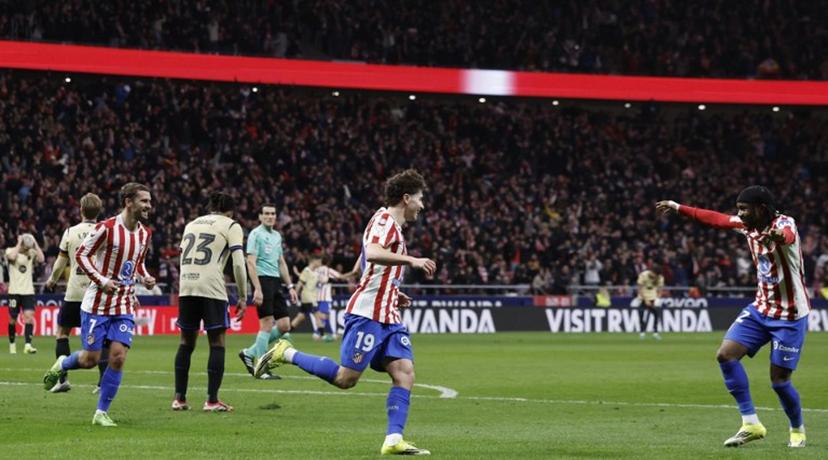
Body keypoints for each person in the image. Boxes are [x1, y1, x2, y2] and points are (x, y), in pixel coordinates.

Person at [255, 169, 437, 456]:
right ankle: (286, 353)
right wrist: (412, 260)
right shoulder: (385, 221)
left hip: (388, 315)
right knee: (345, 379)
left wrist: (391, 290)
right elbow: (372, 252)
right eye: (420, 199)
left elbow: (366, 261)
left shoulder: (391, 226)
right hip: (367, 315)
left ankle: (393, 439)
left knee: (405, 373)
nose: (422, 205)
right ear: (406, 198)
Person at [657, 185, 809, 448]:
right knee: (725, 355)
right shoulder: (747, 226)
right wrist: (678, 207)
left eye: (744, 209)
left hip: (790, 316)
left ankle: (797, 429)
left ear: (762, 208)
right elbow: (715, 219)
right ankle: (751, 424)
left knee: (779, 382)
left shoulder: (785, 223)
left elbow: (787, 236)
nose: (740, 214)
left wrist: (776, 235)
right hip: (761, 309)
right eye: (739, 209)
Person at [43, 182, 156, 427]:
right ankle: (62, 363)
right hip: (97, 304)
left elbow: (137, 263)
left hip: (124, 304)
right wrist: (102, 280)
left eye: (149, 201)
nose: (149, 205)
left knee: (117, 357)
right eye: (144, 201)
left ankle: (101, 412)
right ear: (128, 202)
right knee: (90, 360)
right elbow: (82, 255)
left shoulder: (145, 233)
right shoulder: (107, 228)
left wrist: (145, 277)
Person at [172, 192, 248, 412]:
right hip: (211, 287)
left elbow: (182, 257)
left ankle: (179, 398)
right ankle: (212, 401)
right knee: (217, 342)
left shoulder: (191, 224)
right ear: (230, 210)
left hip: (187, 285)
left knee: (186, 342)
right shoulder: (231, 225)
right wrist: (243, 296)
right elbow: (238, 263)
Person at [45, 193, 104, 393]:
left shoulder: (70, 232)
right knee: (102, 338)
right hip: (97, 292)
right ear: (99, 211)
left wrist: (52, 280)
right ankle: (103, 383)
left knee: (62, 333)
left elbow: (60, 262)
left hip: (75, 292)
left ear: (81, 210)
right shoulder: (105, 231)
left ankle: (62, 380)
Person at [237, 203, 298, 380]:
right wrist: (257, 288)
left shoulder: (277, 236)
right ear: (260, 216)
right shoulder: (255, 234)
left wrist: (290, 286)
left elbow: (281, 262)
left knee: (285, 325)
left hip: (275, 281)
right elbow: (250, 262)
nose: (270, 216)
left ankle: (249, 353)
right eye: (266, 214)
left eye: (273, 213)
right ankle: (261, 369)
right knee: (266, 324)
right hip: (262, 280)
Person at [6, 232, 45, 354]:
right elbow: (12, 257)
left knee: (29, 317)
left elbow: (42, 259)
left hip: (28, 291)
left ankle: (27, 345)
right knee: (12, 319)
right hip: (14, 291)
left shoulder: (31, 253)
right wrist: (19, 242)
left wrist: (35, 242)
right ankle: (12, 344)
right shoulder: (10, 250)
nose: (27, 248)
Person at [313, 254, 355, 341]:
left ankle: (319, 333)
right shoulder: (328, 270)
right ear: (329, 262)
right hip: (325, 298)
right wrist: (353, 272)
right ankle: (327, 333)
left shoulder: (316, 270)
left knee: (323, 316)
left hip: (316, 297)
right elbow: (341, 276)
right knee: (325, 316)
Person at [291, 251, 321, 334]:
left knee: (301, 316)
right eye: (319, 261)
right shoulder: (306, 270)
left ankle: (287, 331)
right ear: (314, 261)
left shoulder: (315, 272)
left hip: (311, 297)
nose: (320, 263)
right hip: (308, 298)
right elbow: (299, 284)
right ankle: (321, 334)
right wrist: (295, 295)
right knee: (317, 315)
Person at [636, 267, 664, 340]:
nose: (655, 276)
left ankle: (655, 333)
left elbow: (660, 289)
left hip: (653, 297)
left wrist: (657, 298)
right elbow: (639, 289)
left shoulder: (660, 278)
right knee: (642, 314)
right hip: (643, 297)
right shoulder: (643, 275)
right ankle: (642, 333)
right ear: (652, 272)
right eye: (654, 274)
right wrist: (645, 300)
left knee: (656, 314)